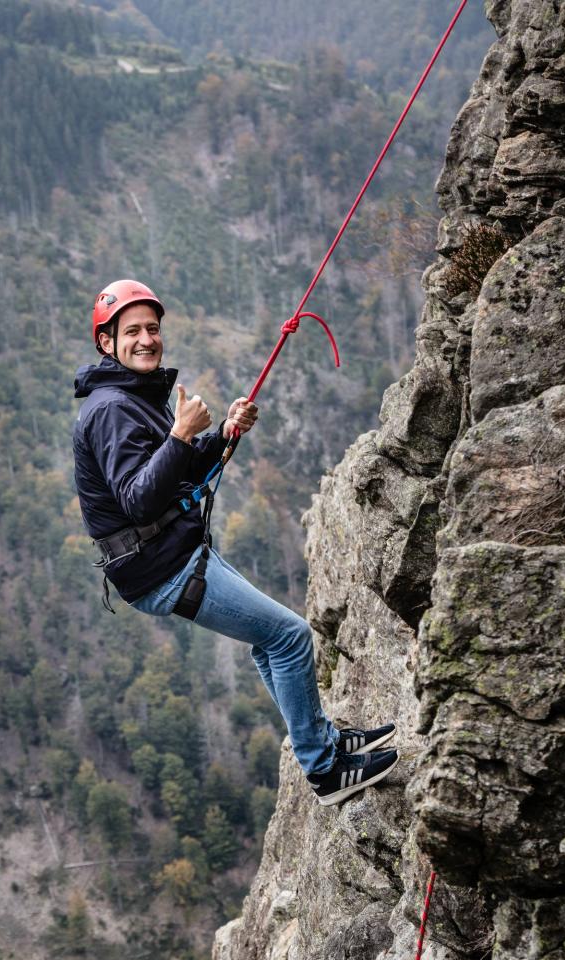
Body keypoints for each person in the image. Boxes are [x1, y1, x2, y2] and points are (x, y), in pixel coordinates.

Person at [71, 279, 398, 806]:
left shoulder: (133, 395)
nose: (147, 339)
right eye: (131, 331)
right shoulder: (110, 409)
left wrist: (222, 431)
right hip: (161, 568)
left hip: (171, 555)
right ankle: (325, 770)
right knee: (290, 637)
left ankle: (323, 740)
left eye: (152, 328)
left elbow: (171, 474)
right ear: (106, 343)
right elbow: (138, 500)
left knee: (270, 645)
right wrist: (179, 436)